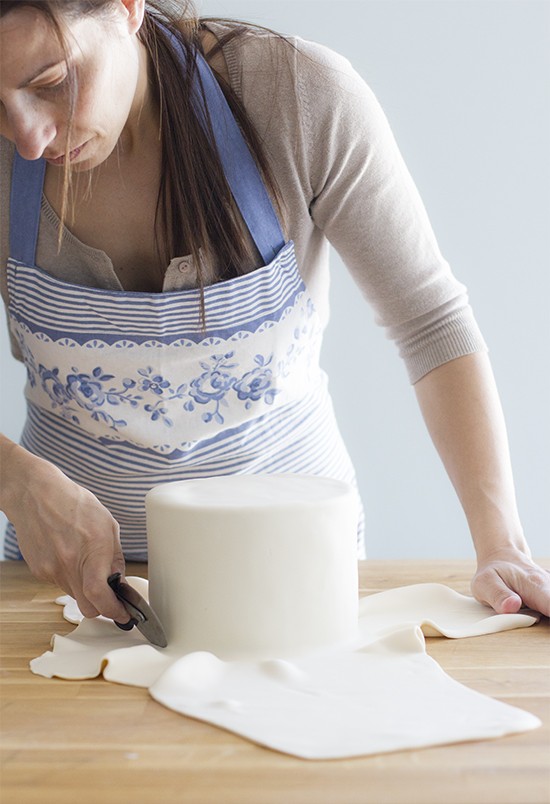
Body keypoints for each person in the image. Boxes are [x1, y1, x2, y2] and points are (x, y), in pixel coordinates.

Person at [0, 0, 548, 625]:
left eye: (51, 83)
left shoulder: (297, 97)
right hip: (66, 581)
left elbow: (430, 323)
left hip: (291, 572)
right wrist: (13, 480)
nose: (27, 137)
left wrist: (501, 544)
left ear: (127, 7)